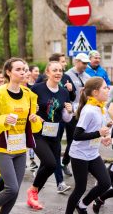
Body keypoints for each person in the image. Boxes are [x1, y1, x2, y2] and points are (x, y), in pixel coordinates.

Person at [0, 57, 42, 214]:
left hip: (20, 147)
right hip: (3, 146)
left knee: (16, 189)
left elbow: (34, 125)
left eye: (24, 69)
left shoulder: (28, 94)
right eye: (18, 69)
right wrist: (2, 119)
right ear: (8, 72)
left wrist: (34, 119)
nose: (23, 72)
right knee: (11, 188)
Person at [27, 61, 73, 210]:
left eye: (60, 70)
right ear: (47, 73)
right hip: (38, 132)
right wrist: (33, 112)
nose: (58, 73)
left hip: (55, 134)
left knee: (47, 165)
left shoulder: (64, 92)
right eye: (55, 70)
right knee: (52, 164)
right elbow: (28, 110)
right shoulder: (37, 89)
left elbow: (66, 118)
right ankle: (32, 191)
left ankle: (33, 195)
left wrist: (70, 111)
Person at [65, 77, 111, 214]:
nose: (108, 90)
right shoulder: (89, 110)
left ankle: (83, 205)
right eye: (104, 87)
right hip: (79, 155)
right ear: (95, 92)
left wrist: (102, 138)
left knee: (105, 183)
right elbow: (77, 135)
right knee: (80, 188)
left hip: (92, 153)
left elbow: (94, 131)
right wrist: (98, 133)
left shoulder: (99, 108)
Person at [63, 53, 91, 176]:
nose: (85, 65)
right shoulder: (67, 75)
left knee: (83, 139)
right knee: (72, 139)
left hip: (84, 112)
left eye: (86, 63)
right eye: (83, 63)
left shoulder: (88, 76)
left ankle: (84, 163)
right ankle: (65, 164)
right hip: (71, 112)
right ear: (76, 61)